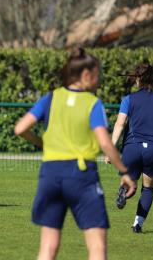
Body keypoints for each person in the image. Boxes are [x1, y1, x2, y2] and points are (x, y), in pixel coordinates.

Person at [14, 48, 135, 260]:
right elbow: (105, 142)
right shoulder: (92, 103)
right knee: (96, 248)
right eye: (97, 75)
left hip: (50, 174)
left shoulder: (51, 98)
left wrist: (42, 143)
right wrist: (124, 171)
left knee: (48, 248)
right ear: (86, 75)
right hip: (81, 176)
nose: (98, 80)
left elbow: (20, 129)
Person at [108, 62, 153, 233]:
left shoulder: (128, 99)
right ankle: (138, 224)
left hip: (132, 147)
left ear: (138, 79)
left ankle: (124, 189)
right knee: (148, 188)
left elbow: (120, 124)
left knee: (130, 184)